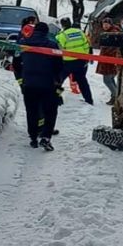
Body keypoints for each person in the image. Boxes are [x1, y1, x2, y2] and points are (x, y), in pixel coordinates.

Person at [19, 22, 64, 151]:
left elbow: (17, 62)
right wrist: (57, 80)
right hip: (47, 84)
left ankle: (33, 138)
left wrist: (24, 76)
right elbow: (59, 65)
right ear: (46, 33)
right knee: (50, 111)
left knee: (31, 111)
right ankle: (45, 137)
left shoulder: (24, 44)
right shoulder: (52, 45)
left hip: (29, 84)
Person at [56, 17, 94, 105]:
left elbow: (59, 49)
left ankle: (57, 98)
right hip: (80, 61)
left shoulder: (62, 35)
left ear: (62, 25)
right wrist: (85, 58)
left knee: (59, 81)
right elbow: (86, 46)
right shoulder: (80, 32)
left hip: (67, 62)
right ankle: (89, 100)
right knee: (82, 81)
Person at [95, 17, 121, 104]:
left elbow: (113, 48)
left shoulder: (112, 33)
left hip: (109, 61)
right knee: (111, 80)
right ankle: (115, 96)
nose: (105, 26)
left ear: (110, 24)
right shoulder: (108, 33)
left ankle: (116, 97)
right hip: (107, 60)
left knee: (107, 80)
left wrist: (106, 55)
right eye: (104, 24)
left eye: (107, 24)